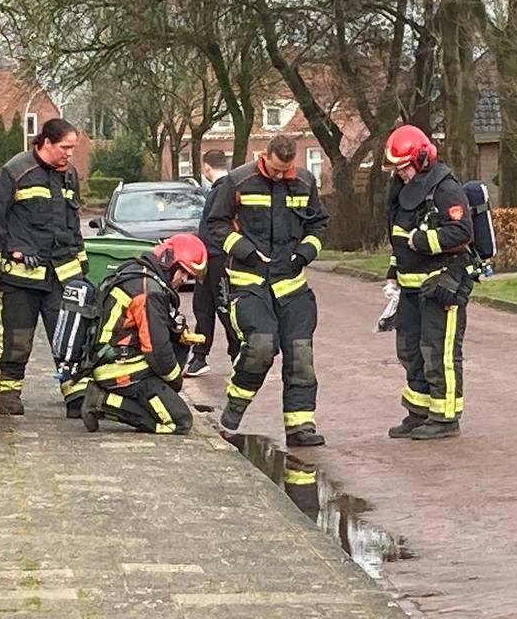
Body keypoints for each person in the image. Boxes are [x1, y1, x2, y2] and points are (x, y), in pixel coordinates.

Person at [204, 134, 329, 446]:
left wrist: (305, 254)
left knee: (300, 354)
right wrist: (245, 251)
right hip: (250, 282)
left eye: (284, 171)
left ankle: (300, 427)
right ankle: (235, 405)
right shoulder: (238, 181)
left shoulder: (304, 182)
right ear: (265, 156)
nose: (278, 176)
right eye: (274, 170)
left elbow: (318, 225)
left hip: (292, 285)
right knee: (260, 346)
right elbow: (215, 225)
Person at [0, 118, 90, 417]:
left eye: (73, 148)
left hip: (61, 275)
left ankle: (76, 395)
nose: (69, 154)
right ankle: (8, 394)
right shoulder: (16, 171)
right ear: (46, 142)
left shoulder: (69, 175)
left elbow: (73, 223)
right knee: (17, 338)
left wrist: (81, 266)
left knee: (68, 337)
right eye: (65, 147)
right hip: (20, 277)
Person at [382, 125, 474, 441]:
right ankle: (419, 412)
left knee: (439, 353)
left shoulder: (445, 188)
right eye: (396, 168)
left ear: (421, 159)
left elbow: (462, 232)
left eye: (404, 167)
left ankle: (445, 417)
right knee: (411, 351)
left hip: (441, 284)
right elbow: (398, 234)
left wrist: (422, 241)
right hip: (410, 288)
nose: (400, 173)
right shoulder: (401, 189)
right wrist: (394, 270)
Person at [79, 234, 208, 435]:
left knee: (164, 400)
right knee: (180, 421)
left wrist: (178, 336)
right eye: (183, 271)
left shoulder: (139, 273)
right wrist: (175, 381)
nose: (184, 279)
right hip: (122, 369)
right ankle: (103, 401)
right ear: (170, 262)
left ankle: (107, 401)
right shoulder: (149, 292)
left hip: (113, 361)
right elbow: (156, 349)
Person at [186, 148, 240, 377]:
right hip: (208, 259)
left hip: (220, 259)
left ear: (206, 167)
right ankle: (199, 357)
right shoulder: (221, 189)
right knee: (203, 307)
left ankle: (238, 355)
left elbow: (217, 227)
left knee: (224, 308)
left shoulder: (223, 190)